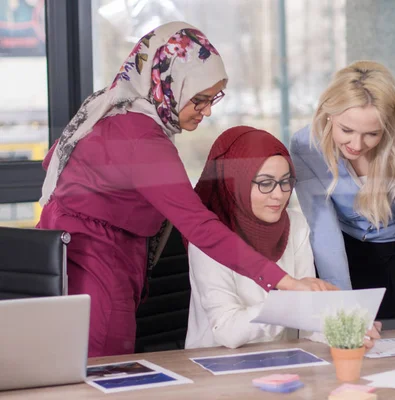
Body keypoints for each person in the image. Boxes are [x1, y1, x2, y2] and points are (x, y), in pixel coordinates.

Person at [36, 22, 335, 357]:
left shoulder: (114, 107)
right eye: (200, 100)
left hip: (82, 251)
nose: (207, 111)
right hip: (97, 259)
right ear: (168, 83)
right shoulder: (142, 138)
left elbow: (54, 163)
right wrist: (285, 283)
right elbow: (199, 225)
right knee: (105, 369)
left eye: (213, 99)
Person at [184, 126, 381, 349]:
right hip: (213, 367)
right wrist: (290, 300)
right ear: (235, 183)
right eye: (265, 183)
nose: (279, 194)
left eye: (286, 181)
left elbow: (307, 318)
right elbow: (228, 332)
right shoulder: (210, 239)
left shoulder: (296, 225)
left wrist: (347, 330)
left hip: (281, 361)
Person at [290, 60, 395, 334]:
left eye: (372, 134)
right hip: (342, 257)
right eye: (346, 131)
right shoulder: (306, 145)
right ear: (329, 114)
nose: (357, 145)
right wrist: (344, 309)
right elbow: (324, 229)